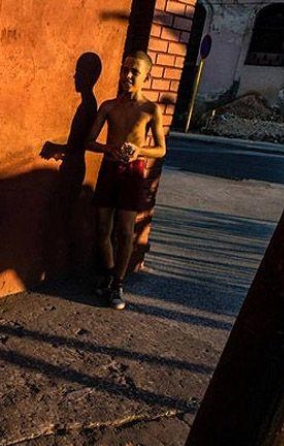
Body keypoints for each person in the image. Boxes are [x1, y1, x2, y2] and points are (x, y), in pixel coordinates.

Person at [85, 50, 166, 310]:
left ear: (146, 77)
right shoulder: (108, 106)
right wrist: (108, 149)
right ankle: (109, 274)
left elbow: (161, 149)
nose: (128, 75)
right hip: (109, 171)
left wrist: (138, 150)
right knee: (101, 229)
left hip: (133, 173)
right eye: (125, 69)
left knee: (125, 231)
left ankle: (118, 284)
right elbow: (89, 140)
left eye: (135, 72)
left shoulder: (151, 109)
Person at [40, 52, 103, 199]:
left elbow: (78, 145)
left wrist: (53, 147)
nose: (75, 76)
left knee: (61, 212)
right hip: (72, 166)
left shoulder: (88, 106)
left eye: (79, 72)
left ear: (89, 76)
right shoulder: (87, 104)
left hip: (73, 169)